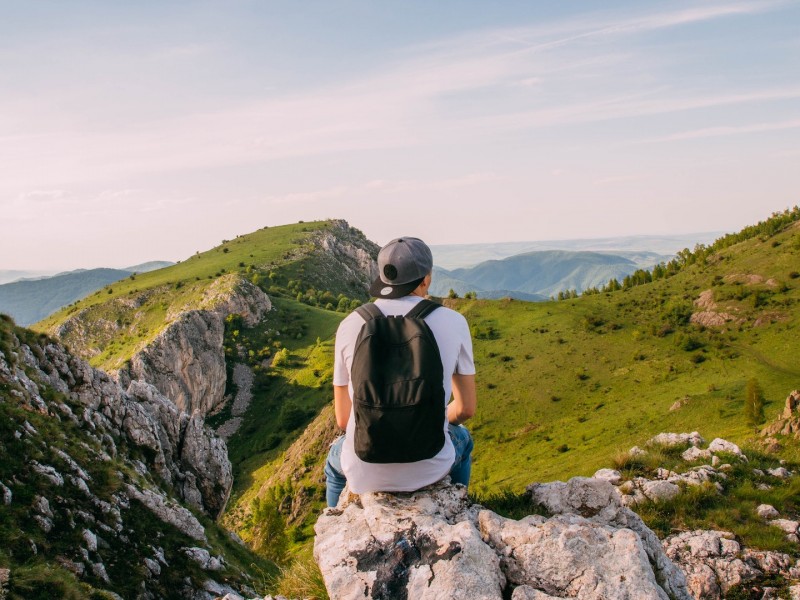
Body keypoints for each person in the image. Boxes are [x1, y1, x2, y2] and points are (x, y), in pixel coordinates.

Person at [324, 236, 477, 507]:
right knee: (462, 438)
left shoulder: (350, 325)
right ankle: (456, 505)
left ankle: (337, 516)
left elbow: (343, 420)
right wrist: (429, 417)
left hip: (365, 469)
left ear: (383, 277)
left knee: (335, 462)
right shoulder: (454, 321)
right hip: (430, 467)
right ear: (426, 279)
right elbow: (465, 409)